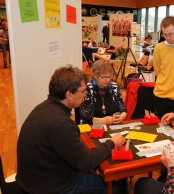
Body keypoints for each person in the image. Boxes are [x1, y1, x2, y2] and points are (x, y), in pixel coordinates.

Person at [17, 65, 125, 194]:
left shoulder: (44, 108)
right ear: (69, 94)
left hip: (34, 180)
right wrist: (111, 143)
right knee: (106, 185)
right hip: (49, 187)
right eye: (83, 91)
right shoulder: (60, 123)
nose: (85, 95)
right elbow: (87, 162)